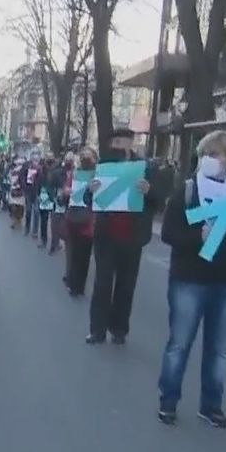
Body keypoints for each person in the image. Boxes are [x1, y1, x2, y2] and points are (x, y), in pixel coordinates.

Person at [157, 130, 226, 428]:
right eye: (207, 154)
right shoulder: (189, 190)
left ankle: (211, 405)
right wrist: (197, 236)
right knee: (179, 343)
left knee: (219, 349)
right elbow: (169, 232)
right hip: (189, 279)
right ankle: (168, 401)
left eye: (217, 155)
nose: (211, 160)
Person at [86, 127, 160, 345]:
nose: (117, 146)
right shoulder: (103, 167)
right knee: (102, 284)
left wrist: (149, 191)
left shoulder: (146, 168)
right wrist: (91, 190)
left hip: (133, 236)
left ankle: (119, 329)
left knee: (126, 285)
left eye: (121, 142)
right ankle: (97, 330)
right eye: (114, 142)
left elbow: (159, 200)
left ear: (131, 143)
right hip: (106, 236)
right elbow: (91, 200)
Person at [63, 148, 97, 297]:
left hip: (89, 221)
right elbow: (65, 192)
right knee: (73, 252)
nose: (85, 159)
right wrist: (66, 191)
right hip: (73, 217)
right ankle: (72, 282)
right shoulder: (74, 174)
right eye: (83, 156)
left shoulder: (98, 176)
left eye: (88, 156)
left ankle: (79, 285)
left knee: (84, 255)